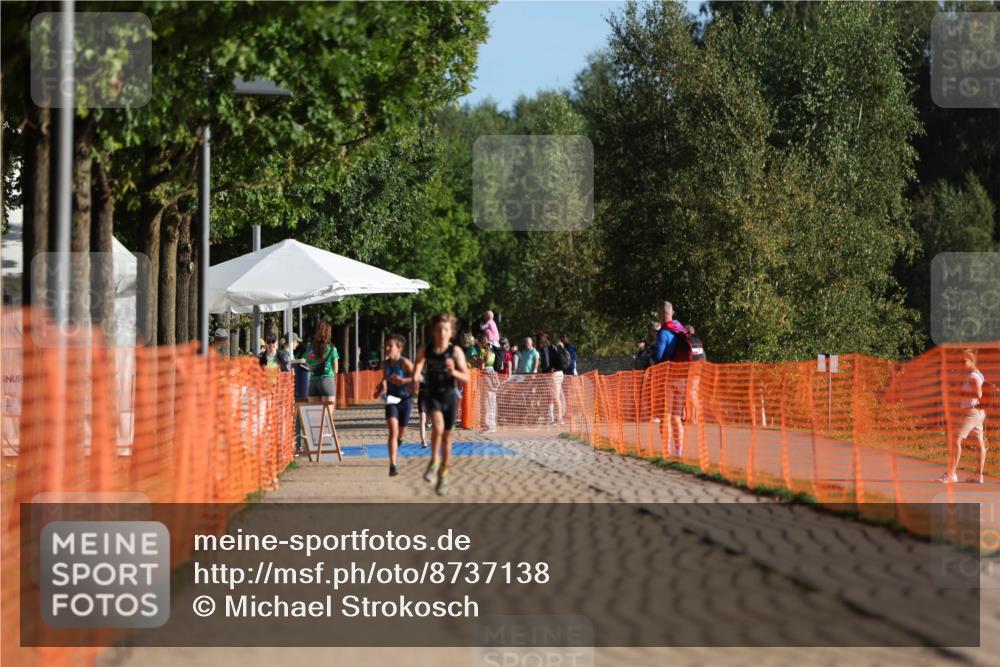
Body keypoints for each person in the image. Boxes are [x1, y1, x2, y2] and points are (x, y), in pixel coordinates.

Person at [413, 314, 471, 496]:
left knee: (447, 437)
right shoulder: (426, 349)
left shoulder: (455, 352)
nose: (442, 333)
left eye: (445, 329)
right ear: (433, 331)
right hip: (432, 396)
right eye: (438, 329)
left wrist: (454, 371)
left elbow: (467, 377)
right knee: (437, 427)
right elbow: (417, 366)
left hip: (449, 397)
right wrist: (415, 377)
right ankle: (434, 461)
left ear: (451, 332)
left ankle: (444, 472)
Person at [939, 349, 987, 484]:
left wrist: (961, 394)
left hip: (971, 413)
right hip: (978, 413)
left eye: (963, 361)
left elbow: (978, 394)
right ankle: (978, 475)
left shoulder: (973, 376)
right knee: (979, 442)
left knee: (955, 439)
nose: (961, 363)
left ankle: (951, 474)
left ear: (971, 361)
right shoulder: (978, 374)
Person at [373, 335, 414, 478]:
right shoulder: (385, 364)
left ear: (399, 349)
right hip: (391, 399)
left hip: (406, 401)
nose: (387, 348)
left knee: (400, 433)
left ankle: (399, 441)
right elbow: (385, 378)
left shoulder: (405, 363)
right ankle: (393, 465)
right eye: (386, 346)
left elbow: (418, 377)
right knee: (393, 431)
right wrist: (381, 387)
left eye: (390, 346)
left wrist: (403, 380)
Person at [653, 301, 686, 458]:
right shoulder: (680, 328)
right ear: (672, 312)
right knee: (676, 417)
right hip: (682, 378)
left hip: (667, 379)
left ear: (660, 314)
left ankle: (666, 450)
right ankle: (679, 451)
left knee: (665, 416)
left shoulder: (663, 333)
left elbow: (658, 356)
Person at [305, 321, 339, 402]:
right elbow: (336, 370)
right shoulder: (332, 348)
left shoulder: (310, 348)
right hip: (327, 381)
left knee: (315, 410)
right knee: (327, 410)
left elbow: (307, 365)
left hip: (313, 383)